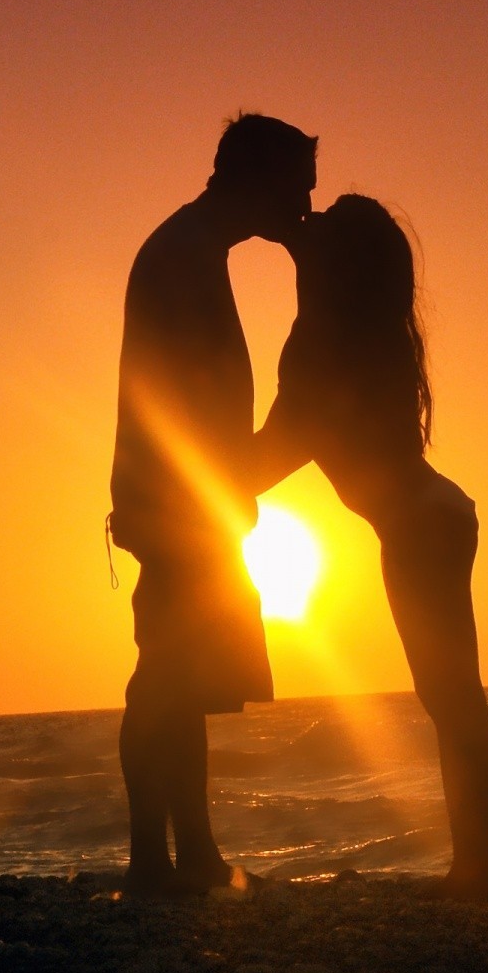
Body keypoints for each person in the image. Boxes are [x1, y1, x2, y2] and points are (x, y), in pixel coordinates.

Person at [254, 194, 488, 900]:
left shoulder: (320, 349)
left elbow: (270, 456)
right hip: (434, 515)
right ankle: (477, 868)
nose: (309, 225)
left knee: (452, 703)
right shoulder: (367, 334)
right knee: (455, 702)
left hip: (420, 527)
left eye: (322, 228)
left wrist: (180, 473)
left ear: (336, 268)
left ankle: (477, 873)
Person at [108, 113, 317, 894]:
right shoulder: (184, 256)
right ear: (256, 180)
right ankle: (150, 860)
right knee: (162, 675)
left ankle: (188, 853)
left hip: (190, 500)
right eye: (296, 190)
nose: (303, 206)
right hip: (178, 502)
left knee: (181, 676)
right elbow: (178, 399)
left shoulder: (193, 249)